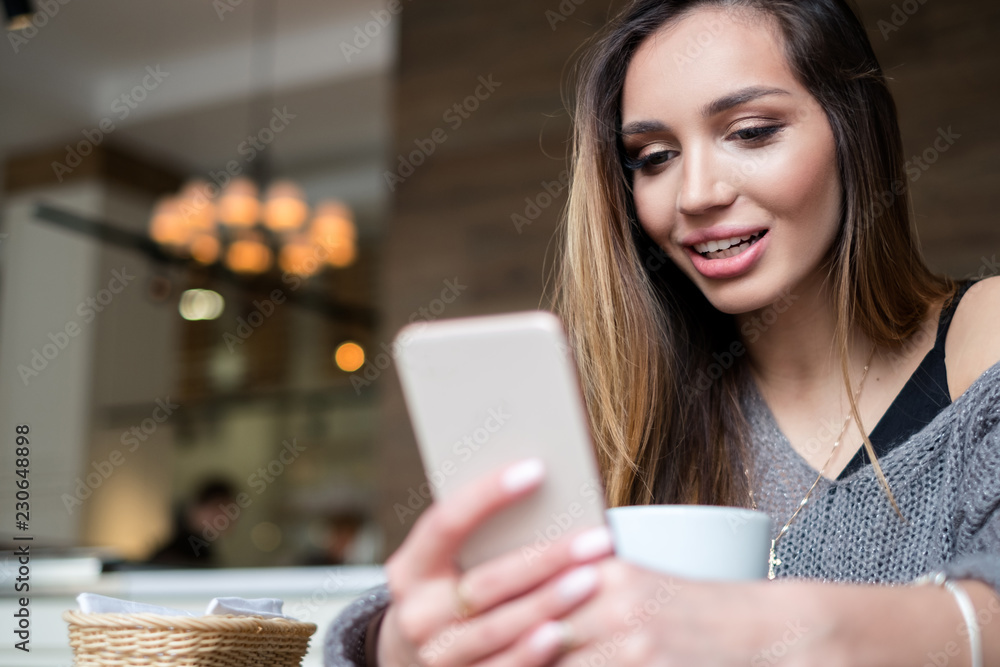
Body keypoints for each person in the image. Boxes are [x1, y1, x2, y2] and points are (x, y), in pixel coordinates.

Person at [324, 1, 1000, 665]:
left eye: (752, 130)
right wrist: (402, 642)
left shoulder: (982, 337)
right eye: (653, 156)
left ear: (856, 131)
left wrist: (790, 631)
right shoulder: (629, 404)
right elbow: (399, 624)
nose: (695, 193)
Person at [147, 477, 239, 568]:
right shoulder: (176, 555)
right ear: (196, 507)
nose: (225, 517)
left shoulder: (199, 550)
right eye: (218, 507)